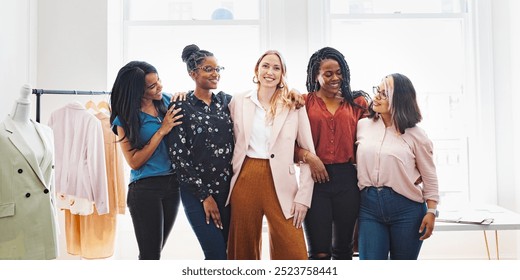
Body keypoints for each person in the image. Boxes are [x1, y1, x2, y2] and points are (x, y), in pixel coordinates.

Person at [226, 50, 316, 260]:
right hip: (245, 177)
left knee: (295, 254)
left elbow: (308, 152)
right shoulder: (239, 100)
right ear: (256, 69)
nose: (270, 72)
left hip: (283, 182)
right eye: (265, 66)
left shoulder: (294, 104)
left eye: (276, 68)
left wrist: (304, 198)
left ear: (283, 74)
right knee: (242, 252)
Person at [294, 46, 369, 260]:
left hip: (348, 180)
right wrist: (310, 158)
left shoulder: (358, 103)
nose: (335, 78)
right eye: (328, 74)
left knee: (344, 250)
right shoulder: (303, 102)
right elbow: (288, 146)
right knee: (319, 252)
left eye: (339, 72)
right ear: (315, 76)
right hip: (315, 180)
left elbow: (372, 141)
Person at [355, 73, 439, 260]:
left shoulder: (416, 135)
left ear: (399, 99)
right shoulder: (362, 126)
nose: (376, 96)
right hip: (368, 207)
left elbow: (430, 176)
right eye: (377, 90)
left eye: (385, 93)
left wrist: (432, 211)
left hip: (407, 209)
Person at [110, 61, 183, 260]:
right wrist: (162, 130)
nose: (159, 86)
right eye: (152, 86)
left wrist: (185, 96)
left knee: (156, 252)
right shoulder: (125, 120)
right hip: (145, 189)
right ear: (137, 92)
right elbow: (134, 161)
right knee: (150, 255)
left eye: (158, 79)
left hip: (173, 186)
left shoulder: (167, 101)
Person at [167, 44, 233, 260]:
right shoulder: (180, 106)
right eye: (208, 69)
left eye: (217, 69)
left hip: (228, 191)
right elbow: (179, 157)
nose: (215, 74)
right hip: (196, 193)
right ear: (192, 74)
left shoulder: (226, 102)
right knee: (215, 255)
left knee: (230, 253)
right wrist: (205, 196)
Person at [0, 84, 58, 260]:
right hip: (16, 218)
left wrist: (55, 217)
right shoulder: (2, 132)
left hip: (45, 215)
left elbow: (50, 181)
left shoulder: (47, 132)